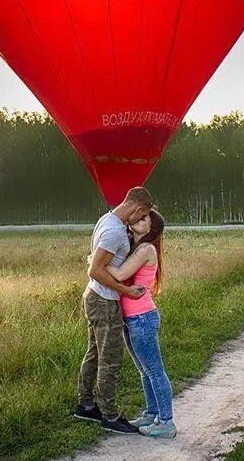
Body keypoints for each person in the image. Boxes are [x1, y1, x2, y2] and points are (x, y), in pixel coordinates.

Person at [73, 186, 154, 434]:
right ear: (138, 208)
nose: (141, 220)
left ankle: (85, 405)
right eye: (142, 215)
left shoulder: (106, 219)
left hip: (95, 296)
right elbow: (95, 270)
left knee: (95, 353)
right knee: (110, 359)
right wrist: (126, 291)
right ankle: (109, 415)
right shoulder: (114, 232)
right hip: (104, 300)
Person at [105, 208, 176, 439]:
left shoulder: (147, 249)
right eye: (140, 215)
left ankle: (166, 423)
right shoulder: (134, 246)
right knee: (144, 371)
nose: (140, 218)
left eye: (145, 218)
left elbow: (120, 272)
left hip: (142, 318)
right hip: (132, 319)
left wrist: (96, 262)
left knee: (155, 371)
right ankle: (151, 413)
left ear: (151, 228)